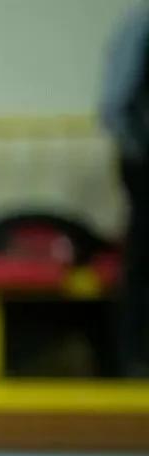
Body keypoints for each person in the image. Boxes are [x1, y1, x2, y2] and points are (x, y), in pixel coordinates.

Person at [99, 1, 149, 377]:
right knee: (143, 259)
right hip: (144, 162)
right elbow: (114, 106)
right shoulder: (140, 27)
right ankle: (133, 358)